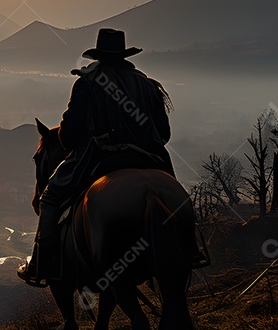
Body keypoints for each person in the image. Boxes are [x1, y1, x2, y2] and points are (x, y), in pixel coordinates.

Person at [20, 28, 206, 287]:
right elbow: (163, 134)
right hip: (150, 158)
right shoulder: (148, 85)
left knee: (50, 198)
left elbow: (70, 133)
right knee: (174, 194)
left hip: (98, 157)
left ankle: (42, 263)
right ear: (123, 54)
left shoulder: (86, 82)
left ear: (98, 55)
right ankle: (192, 249)